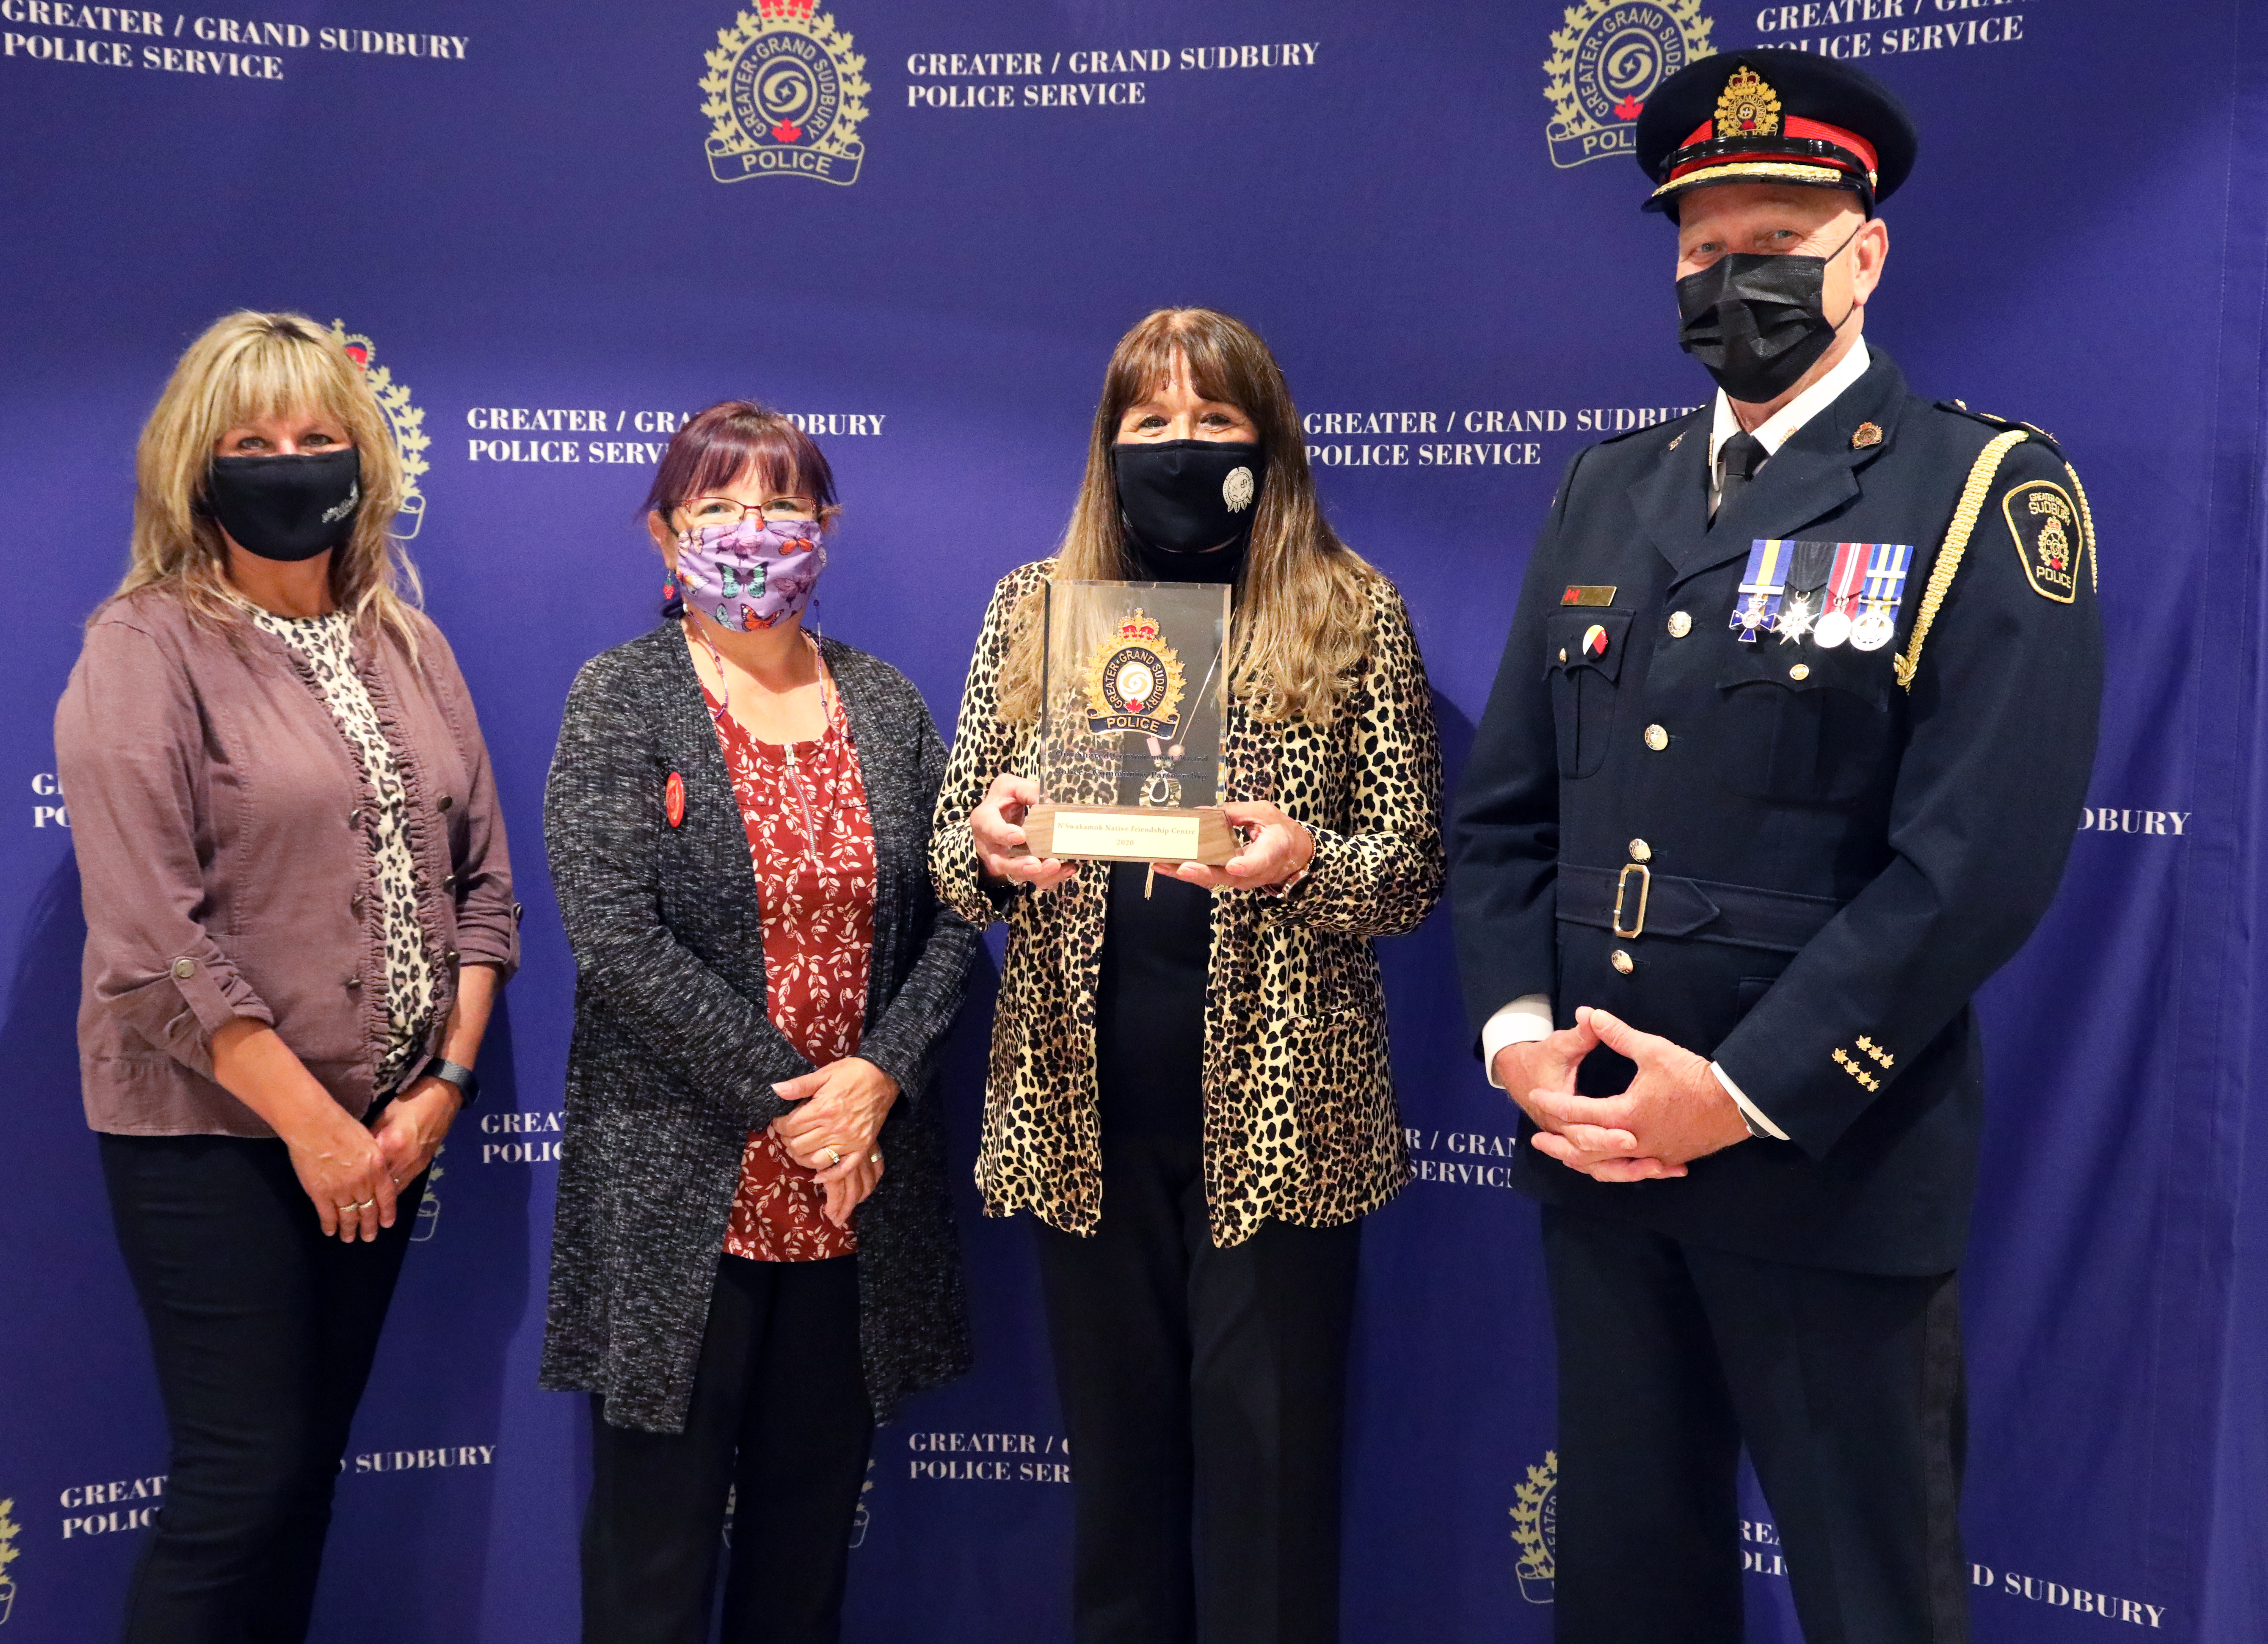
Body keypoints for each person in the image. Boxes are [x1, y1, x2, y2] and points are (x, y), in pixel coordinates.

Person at [1447, 50, 2104, 1644]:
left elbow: (1976, 861)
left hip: (1826, 1164)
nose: (1735, 277)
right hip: (1603, 1151)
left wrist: (1738, 1094)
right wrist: (1523, 1039)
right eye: (1702, 248)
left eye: (1776, 242)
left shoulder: (1980, 493)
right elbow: (1512, 811)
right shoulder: (1606, 495)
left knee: (1875, 1603)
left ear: (1864, 253)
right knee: (1628, 1592)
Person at [930, 308, 1443, 1644]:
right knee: (1120, 1503)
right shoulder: (1033, 611)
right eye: (1150, 421)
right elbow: (952, 849)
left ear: (1265, 440)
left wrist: (1300, 862)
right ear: (1109, 445)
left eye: (1213, 420)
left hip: (1282, 1136)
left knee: (1268, 1507)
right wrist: (992, 843)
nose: (1180, 444)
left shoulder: (1350, 610)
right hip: (1077, 1122)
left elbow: (1410, 871)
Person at [55, 309, 517, 1643]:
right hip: (218, 1140)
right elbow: (150, 949)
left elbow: (483, 894)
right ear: (194, 467)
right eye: (252, 442)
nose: (289, 463)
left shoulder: (413, 648)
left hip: (386, 1137)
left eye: (318, 439)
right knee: (239, 1484)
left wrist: (439, 1090)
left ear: (363, 461)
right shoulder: (144, 650)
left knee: (306, 1478)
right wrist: (319, 1134)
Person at [542, 400, 977, 1644]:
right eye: (718, 506)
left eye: (781, 503)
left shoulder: (887, 705)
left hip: (852, 1214)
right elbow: (618, 939)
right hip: (690, 1191)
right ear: (663, 536)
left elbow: (955, 917)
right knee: (654, 1567)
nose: (752, 531)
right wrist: (812, 1117)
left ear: (824, 528)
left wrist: (880, 1080)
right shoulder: (623, 697)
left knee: (804, 1565)